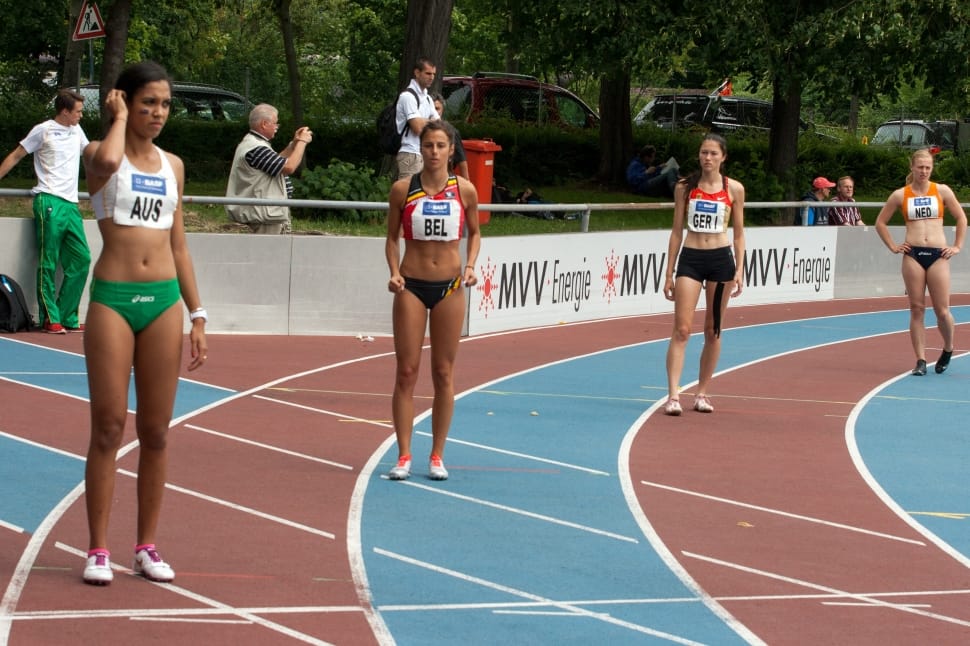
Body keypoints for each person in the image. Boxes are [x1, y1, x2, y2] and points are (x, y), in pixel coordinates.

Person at [80, 61, 208, 585]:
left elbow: (178, 244)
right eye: (146, 103)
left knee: (155, 431)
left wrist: (197, 313)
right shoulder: (97, 153)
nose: (157, 113)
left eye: (164, 104)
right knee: (109, 426)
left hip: (163, 303)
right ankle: (97, 549)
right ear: (124, 103)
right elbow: (110, 158)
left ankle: (146, 546)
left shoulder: (173, 166)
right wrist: (111, 118)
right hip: (113, 299)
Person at [384, 120, 481, 480]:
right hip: (410, 285)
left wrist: (470, 265)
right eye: (429, 146)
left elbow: (475, 233)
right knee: (406, 372)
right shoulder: (402, 190)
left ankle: (437, 455)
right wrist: (394, 270)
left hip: (451, 287)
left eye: (441, 146)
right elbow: (391, 238)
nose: (435, 152)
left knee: (443, 372)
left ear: (451, 150)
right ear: (420, 149)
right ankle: (404, 454)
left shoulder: (465, 191)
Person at [663, 133, 745, 415]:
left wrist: (739, 269)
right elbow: (676, 231)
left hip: (721, 261)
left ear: (723, 157)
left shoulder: (734, 189)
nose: (707, 158)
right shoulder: (685, 187)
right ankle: (673, 395)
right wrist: (668, 273)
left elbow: (739, 234)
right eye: (703, 152)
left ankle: (702, 392)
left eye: (712, 153)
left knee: (713, 330)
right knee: (682, 329)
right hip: (691, 259)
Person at [0, 89, 91, 334]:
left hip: (71, 204)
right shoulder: (44, 130)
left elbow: (91, 154)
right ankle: (51, 318)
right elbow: (17, 155)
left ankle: (67, 314)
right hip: (48, 199)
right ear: (64, 111)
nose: (81, 116)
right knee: (48, 262)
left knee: (82, 259)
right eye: (78, 111)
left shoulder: (77, 131)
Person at [874, 148, 966, 376]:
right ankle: (921, 360)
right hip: (913, 254)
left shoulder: (942, 191)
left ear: (931, 168)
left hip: (938, 255)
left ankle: (948, 347)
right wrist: (893, 246)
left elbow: (962, 217)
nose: (924, 171)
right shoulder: (900, 195)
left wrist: (957, 246)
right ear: (912, 168)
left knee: (942, 310)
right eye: (920, 167)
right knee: (917, 308)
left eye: (928, 167)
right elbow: (880, 223)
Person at [225, 103, 312, 234]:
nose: (277, 127)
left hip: (263, 215)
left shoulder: (253, 143)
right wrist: (302, 143)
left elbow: (275, 162)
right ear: (264, 124)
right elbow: (289, 167)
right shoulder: (256, 148)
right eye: (276, 123)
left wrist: (293, 144)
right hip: (262, 218)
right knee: (267, 254)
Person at [395, 57, 439, 180]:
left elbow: (439, 126)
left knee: (424, 195)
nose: (431, 77)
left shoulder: (428, 99)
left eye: (434, 74)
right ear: (417, 72)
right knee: (409, 195)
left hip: (425, 154)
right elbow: (418, 127)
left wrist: (422, 120)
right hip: (410, 153)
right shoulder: (407, 97)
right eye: (428, 73)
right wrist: (429, 122)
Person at [431, 93, 469, 180]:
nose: (434, 112)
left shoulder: (451, 132)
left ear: (442, 109)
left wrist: (467, 184)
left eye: (437, 108)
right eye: (431, 109)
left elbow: (461, 160)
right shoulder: (420, 130)